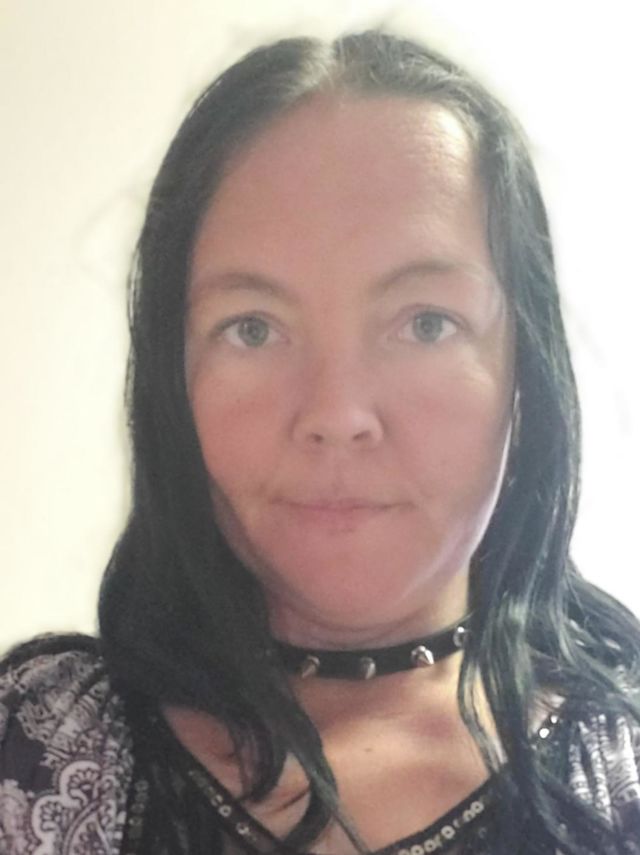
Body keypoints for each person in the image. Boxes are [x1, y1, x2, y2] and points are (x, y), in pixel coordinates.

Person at [1, 28, 639, 855]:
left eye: (426, 323)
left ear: (526, 368)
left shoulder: (620, 770)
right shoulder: (37, 750)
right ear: (171, 378)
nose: (337, 412)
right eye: (253, 328)